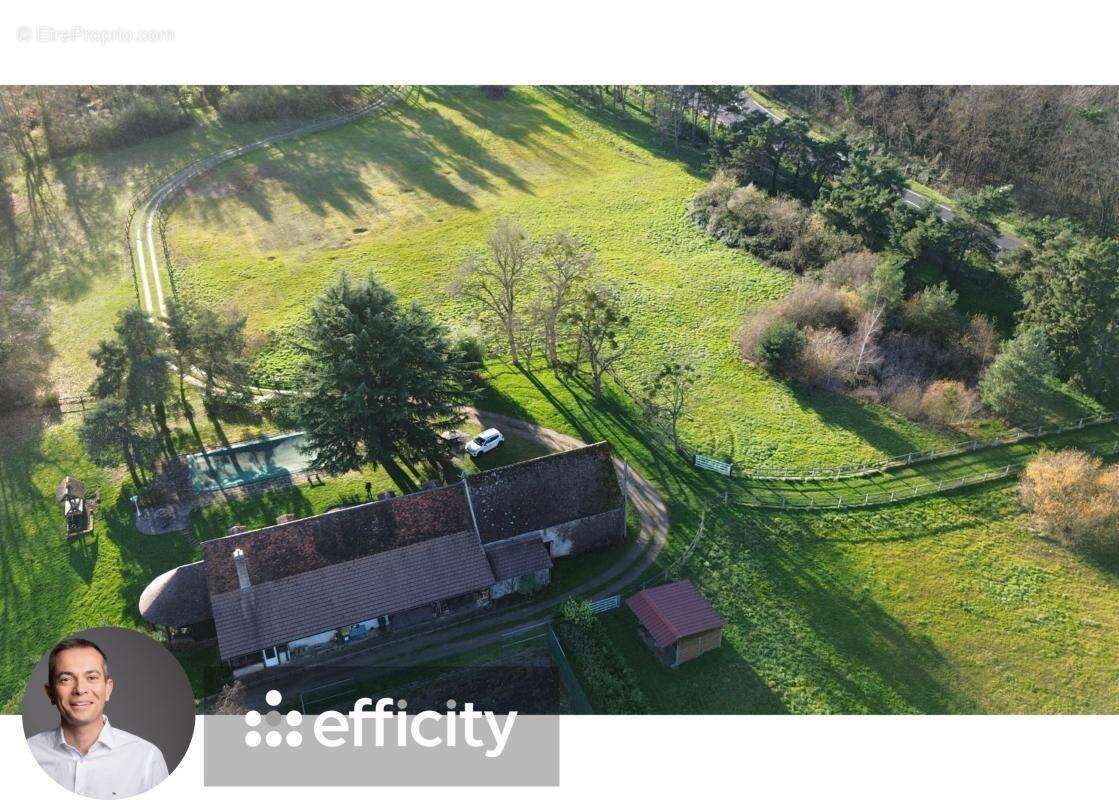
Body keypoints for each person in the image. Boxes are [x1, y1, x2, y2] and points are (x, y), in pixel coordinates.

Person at [26, 637, 169, 799]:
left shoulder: (146, 759)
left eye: (92, 677)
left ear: (108, 689)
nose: (80, 689)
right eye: (66, 679)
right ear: (50, 692)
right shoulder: (23, 756)